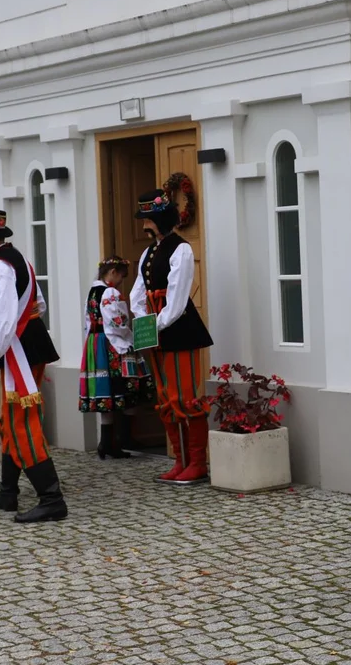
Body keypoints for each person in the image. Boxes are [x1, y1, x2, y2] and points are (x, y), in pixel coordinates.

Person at [0, 206, 67, 523]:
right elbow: (39, 304)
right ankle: (8, 491)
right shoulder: (18, 258)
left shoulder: (0, 268)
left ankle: (51, 499)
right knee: (10, 420)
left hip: (17, 350)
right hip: (28, 343)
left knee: (21, 422)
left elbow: (5, 317)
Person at [129, 187, 214, 483]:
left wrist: (155, 324)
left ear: (162, 218)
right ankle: (180, 460)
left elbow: (177, 301)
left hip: (180, 331)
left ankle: (198, 462)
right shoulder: (148, 252)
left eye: (149, 219)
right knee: (165, 397)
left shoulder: (182, 249)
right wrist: (141, 318)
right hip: (156, 331)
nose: (144, 225)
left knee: (186, 397)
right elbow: (137, 291)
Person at [78, 256, 153, 459]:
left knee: (107, 394)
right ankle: (122, 439)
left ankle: (106, 443)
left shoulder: (92, 291)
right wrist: (131, 335)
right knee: (127, 388)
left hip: (95, 342)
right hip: (111, 344)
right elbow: (117, 322)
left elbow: (88, 320)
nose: (121, 280)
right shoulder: (110, 292)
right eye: (121, 275)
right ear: (112, 272)